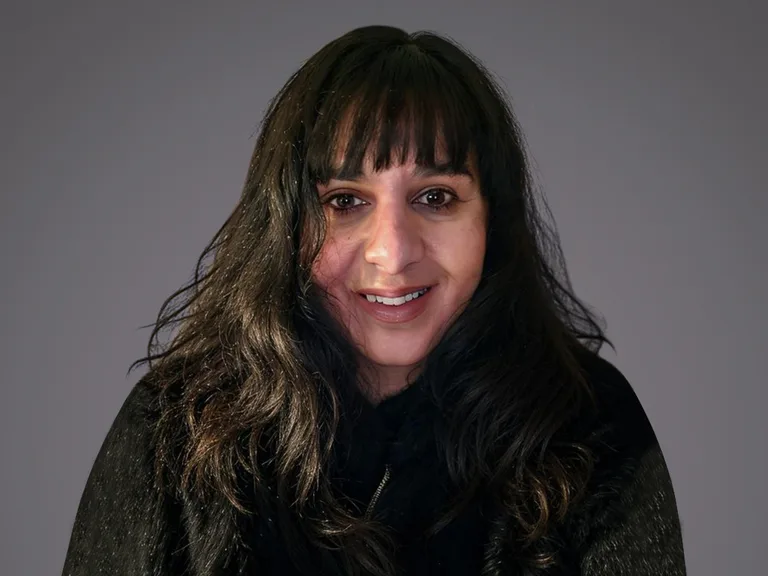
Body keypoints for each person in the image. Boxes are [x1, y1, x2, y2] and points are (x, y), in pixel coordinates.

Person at [62, 25, 687, 576]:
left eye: (436, 197)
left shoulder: (593, 426)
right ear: (287, 225)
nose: (393, 252)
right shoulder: (171, 431)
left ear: (493, 221)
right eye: (345, 202)